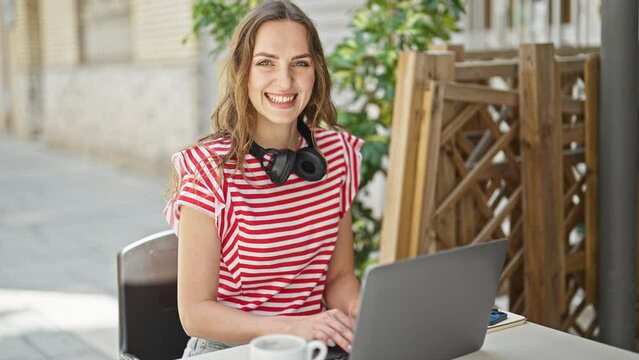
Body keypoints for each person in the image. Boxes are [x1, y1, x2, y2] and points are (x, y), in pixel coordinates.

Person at [164, 1, 363, 359]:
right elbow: (194, 314)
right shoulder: (208, 170)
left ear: (315, 70)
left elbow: (339, 278)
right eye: (266, 63)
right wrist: (294, 327)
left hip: (312, 348)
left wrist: (358, 311)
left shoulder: (337, 155)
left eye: (299, 63)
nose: (285, 81)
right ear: (244, 72)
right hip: (230, 350)